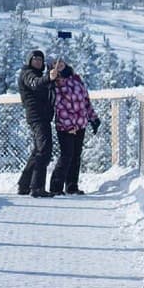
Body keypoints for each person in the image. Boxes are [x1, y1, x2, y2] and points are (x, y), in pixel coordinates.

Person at [17, 49, 62, 198]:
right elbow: (35, 83)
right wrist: (48, 78)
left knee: (38, 150)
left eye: (40, 59)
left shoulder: (38, 75)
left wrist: (51, 77)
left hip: (43, 116)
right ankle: (37, 187)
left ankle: (24, 184)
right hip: (37, 117)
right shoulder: (27, 74)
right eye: (35, 59)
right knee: (44, 150)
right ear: (29, 61)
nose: (37, 62)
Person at [50, 64, 100, 195]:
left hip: (80, 124)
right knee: (66, 155)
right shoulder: (55, 83)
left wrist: (93, 118)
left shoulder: (76, 79)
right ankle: (56, 187)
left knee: (76, 156)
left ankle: (72, 186)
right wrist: (69, 126)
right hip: (65, 126)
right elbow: (60, 106)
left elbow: (85, 101)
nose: (59, 65)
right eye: (55, 63)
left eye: (61, 62)